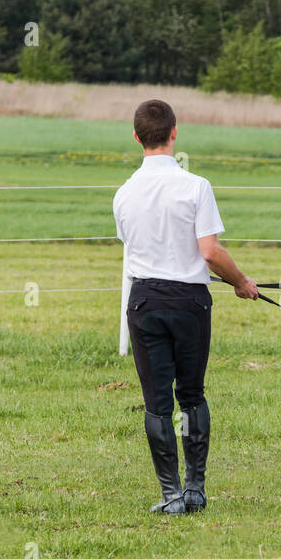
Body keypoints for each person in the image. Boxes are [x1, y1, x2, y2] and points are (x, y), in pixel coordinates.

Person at [113, 100, 259, 516]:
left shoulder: (123, 194)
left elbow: (137, 249)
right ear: (175, 133)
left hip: (144, 301)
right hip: (190, 303)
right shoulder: (196, 186)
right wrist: (242, 282)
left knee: (157, 402)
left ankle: (171, 494)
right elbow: (209, 253)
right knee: (191, 395)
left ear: (137, 137)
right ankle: (195, 488)